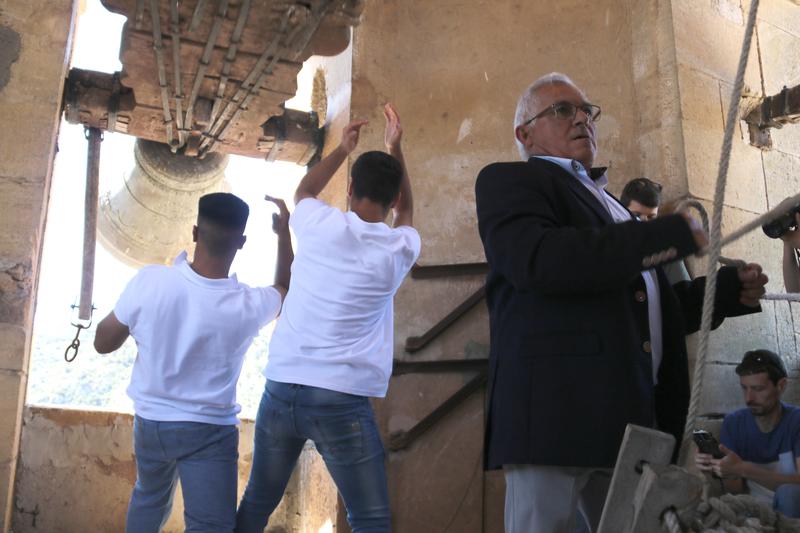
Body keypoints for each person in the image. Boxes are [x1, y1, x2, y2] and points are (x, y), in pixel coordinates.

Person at [474, 72, 768, 533]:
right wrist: (670, 233)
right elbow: (543, 261)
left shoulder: (611, 206)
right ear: (524, 133)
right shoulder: (510, 182)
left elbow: (645, 310)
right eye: (561, 109)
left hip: (628, 420)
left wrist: (722, 292)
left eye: (586, 110)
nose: (581, 119)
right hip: (555, 414)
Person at [235, 103, 420, 533]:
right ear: (391, 198)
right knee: (369, 518)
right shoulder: (395, 251)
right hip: (340, 399)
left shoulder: (317, 224)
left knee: (257, 501)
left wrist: (340, 149)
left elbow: (304, 191)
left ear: (351, 187)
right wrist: (397, 148)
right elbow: (406, 214)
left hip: (281, 388)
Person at [94, 192, 293, 533]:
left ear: (195, 232)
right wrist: (284, 232)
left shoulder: (150, 281)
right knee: (209, 525)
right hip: (209, 430)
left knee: (149, 499)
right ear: (241, 242)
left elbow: (103, 343)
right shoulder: (248, 305)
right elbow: (285, 288)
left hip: (152, 423)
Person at [695, 349, 800, 517]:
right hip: (753, 513)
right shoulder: (734, 424)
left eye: (758, 389)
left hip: (793, 513)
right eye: (744, 388)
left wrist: (744, 469)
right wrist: (723, 470)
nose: (749, 398)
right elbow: (736, 491)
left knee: (790, 494)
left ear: (781, 386)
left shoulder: (796, 421)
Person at [620, 177, 691, 284]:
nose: (643, 222)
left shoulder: (664, 248)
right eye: (636, 215)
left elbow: (682, 290)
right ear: (621, 211)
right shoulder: (611, 244)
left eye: (651, 217)